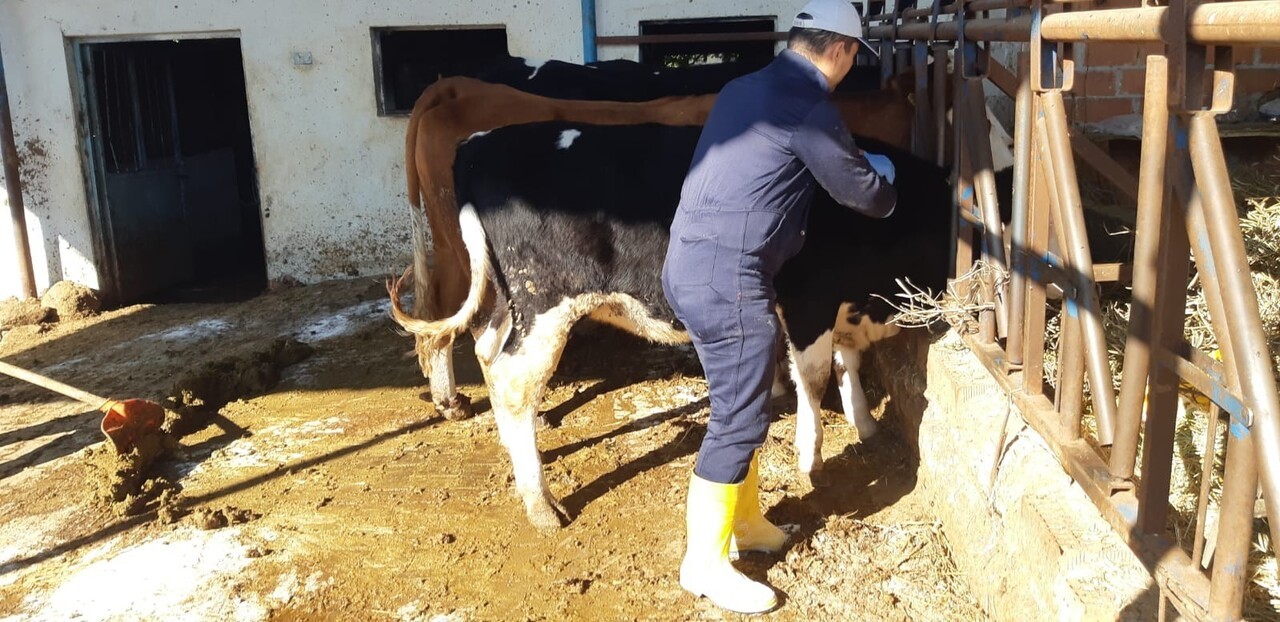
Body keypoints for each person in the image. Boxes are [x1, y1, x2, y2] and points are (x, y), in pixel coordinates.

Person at [661, 0, 899, 614]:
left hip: (691, 261)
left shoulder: (745, 87)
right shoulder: (808, 105)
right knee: (737, 420)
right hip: (728, 279)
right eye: (853, 57)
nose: (850, 66)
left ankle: (744, 523)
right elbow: (862, 195)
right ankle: (704, 563)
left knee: (739, 404)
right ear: (841, 50)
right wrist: (888, 180)